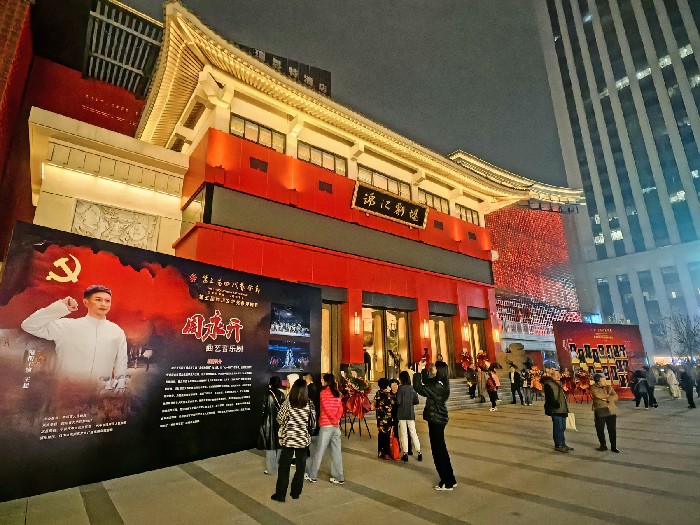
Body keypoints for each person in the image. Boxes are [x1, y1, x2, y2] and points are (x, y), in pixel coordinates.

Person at [21, 285, 127, 386]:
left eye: (107, 301)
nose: (103, 304)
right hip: (67, 391)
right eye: (98, 300)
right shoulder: (67, 326)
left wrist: (119, 388)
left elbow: (120, 363)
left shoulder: (117, 332)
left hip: (100, 392)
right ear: (86, 302)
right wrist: (60, 307)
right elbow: (29, 325)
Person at [413, 360, 456, 491]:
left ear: (440, 371)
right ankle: (450, 479)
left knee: (438, 452)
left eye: (435, 368)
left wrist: (417, 373)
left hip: (436, 419)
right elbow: (427, 381)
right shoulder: (440, 382)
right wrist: (422, 369)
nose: (433, 369)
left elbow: (419, 388)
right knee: (441, 449)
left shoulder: (438, 386)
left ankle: (447, 482)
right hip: (438, 418)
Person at [271, 378, 313, 502]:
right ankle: (295, 493)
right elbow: (312, 422)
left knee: (284, 467)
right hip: (302, 440)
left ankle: (280, 494)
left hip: (288, 439)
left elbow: (280, 418)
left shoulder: (288, 403)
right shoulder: (309, 403)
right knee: (300, 467)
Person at [305, 373, 345, 484]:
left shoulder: (323, 393)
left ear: (327, 381)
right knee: (337, 452)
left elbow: (326, 408)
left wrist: (332, 420)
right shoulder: (338, 393)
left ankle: (313, 475)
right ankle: (339, 476)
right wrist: (336, 420)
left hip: (326, 426)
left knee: (319, 452)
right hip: (336, 427)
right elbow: (340, 409)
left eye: (323, 380)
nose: (321, 381)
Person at [541, 370, 572, 453]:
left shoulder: (557, 383)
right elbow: (550, 398)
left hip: (562, 409)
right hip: (556, 409)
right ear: (552, 375)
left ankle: (563, 444)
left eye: (559, 374)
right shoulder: (548, 384)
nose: (559, 376)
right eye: (556, 374)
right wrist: (556, 405)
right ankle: (558, 445)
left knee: (562, 427)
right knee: (558, 428)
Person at [259, 376, 285, 475]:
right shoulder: (282, 395)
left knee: (270, 446)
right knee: (279, 444)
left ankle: (271, 470)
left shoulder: (267, 394)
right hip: (280, 423)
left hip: (268, 423)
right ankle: (278, 466)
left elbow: (263, 411)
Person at [396, 371, 421, 462]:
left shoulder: (401, 388)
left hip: (402, 413)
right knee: (413, 433)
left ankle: (405, 454)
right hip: (410, 413)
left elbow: (398, 401)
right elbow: (416, 401)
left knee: (404, 434)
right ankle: (419, 452)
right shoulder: (412, 388)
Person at [590, 373, 619, 453]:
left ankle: (614, 446)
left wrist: (607, 398)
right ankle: (603, 445)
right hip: (600, 410)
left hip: (611, 409)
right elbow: (598, 395)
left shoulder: (608, 387)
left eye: (605, 380)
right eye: (603, 380)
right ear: (598, 382)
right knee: (600, 429)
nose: (605, 382)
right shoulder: (593, 388)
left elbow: (616, 396)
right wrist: (609, 396)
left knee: (612, 429)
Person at [373, 377, 395, 459]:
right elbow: (390, 406)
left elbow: (375, 404)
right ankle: (386, 453)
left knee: (380, 434)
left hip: (379, 417)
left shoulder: (377, 393)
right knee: (386, 435)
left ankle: (380, 451)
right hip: (386, 417)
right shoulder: (388, 395)